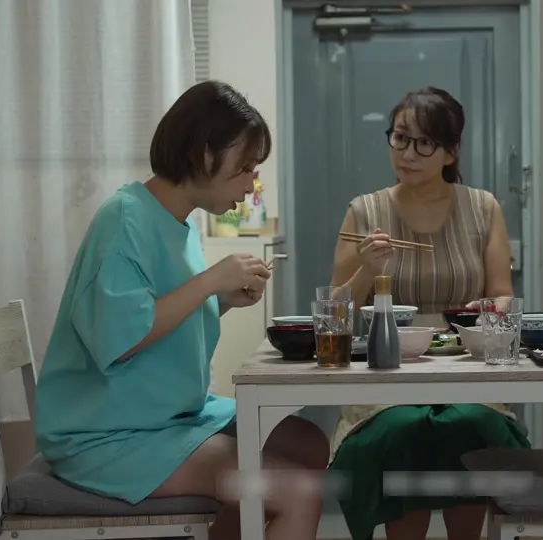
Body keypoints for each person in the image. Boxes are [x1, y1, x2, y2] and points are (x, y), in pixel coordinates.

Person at [34, 81, 329, 540]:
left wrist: (219, 300)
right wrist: (209, 282)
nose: (251, 185)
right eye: (244, 169)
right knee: (299, 493)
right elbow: (120, 340)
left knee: (309, 443)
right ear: (203, 154)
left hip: (164, 418)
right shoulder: (125, 219)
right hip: (109, 435)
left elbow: (160, 317)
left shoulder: (178, 223)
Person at [328, 87, 531, 540]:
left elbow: (502, 295)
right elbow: (336, 310)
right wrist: (368, 268)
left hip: (467, 368)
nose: (407, 153)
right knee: (402, 430)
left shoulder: (483, 208)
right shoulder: (364, 211)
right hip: (386, 373)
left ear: (451, 151)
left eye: (424, 143)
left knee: (470, 424)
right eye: (400, 138)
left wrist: (487, 310)